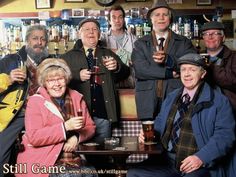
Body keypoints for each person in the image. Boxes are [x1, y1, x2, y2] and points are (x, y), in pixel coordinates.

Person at [127, 53, 236, 177]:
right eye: (183, 69)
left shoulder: (219, 101)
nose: (187, 74)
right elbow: (160, 121)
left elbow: (225, 136)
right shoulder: (172, 97)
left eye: (192, 69)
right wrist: (150, 132)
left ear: (203, 74)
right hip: (167, 161)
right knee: (133, 173)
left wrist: (201, 158)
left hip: (198, 164)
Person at [15, 58, 97, 177]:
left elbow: (90, 127)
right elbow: (34, 137)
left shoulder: (76, 97)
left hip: (73, 159)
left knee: (91, 173)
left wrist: (77, 137)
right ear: (44, 83)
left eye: (60, 79)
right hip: (43, 161)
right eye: (51, 80)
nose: (57, 84)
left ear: (66, 79)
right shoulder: (35, 102)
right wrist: (65, 127)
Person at [61, 18, 130, 141]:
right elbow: (57, 79)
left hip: (103, 114)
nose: (91, 32)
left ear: (99, 34)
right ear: (79, 34)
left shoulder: (108, 53)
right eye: (87, 29)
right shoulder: (67, 57)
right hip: (78, 116)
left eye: (94, 29)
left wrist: (117, 67)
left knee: (103, 153)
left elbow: (126, 73)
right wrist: (76, 75)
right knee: (80, 153)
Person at [132, 0, 197, 121]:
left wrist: (169, 60)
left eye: (165, 14)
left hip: (175, 96)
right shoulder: (140, 43)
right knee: (149, 137)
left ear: (170, 18)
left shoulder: (183, 42)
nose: (161, 18)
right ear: (151, 19)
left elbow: (192, 64)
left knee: (174, 137)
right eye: (157, 15)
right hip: (147, 100)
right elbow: (140, 70)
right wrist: (169, 73)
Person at [0, 25, 49, 177]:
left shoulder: (50, 62)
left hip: (43, 113)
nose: (39, 42)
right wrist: (8, 79)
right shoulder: (10, 60)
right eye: (35, 38)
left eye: (42, 39)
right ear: (27, 40)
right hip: (16, 114)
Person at [201, 21, 236, 117]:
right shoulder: (196, 57)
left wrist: (210, 67)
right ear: (203, 38)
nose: (210, 37)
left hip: (229, 110)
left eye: (215, 33)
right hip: (203, 110)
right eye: (206, 34)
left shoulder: (234, 57)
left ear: (223, 38)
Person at [101, 5, 137, 88]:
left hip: (131, 84)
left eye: (120, 17)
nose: (117, 20)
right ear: (109, 21)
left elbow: (136, 60)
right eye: (114, 17)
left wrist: (115, 51)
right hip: (111, 84)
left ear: (124, 20)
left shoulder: (133, 39)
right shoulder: (103, 38)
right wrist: (127, 56)